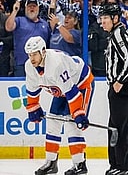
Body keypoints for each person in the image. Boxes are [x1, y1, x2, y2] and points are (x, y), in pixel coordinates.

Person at [25, 36, 94, 175]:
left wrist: (78, 114)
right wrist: (33, 107)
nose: (32, 58)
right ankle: (51, 163)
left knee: (72, 124)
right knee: (52, 121)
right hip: (62, 89)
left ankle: (79, 164)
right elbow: (32, 90)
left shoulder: (55, 64)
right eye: (30, 55)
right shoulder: (30, 66)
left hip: (80, 84)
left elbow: (72, 92)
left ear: (43, 51)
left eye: (35, 54)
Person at [100, 4, 128, 175]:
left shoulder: (119, 33)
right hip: (127, 87)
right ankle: (118, 165)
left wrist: (120, 80)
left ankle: (122, 167)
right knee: (118, 128)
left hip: (124, 88)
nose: (102, 22)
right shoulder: (117, 33)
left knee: (120, 129)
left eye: (105, 19)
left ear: (115, 19)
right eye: (101, 19)